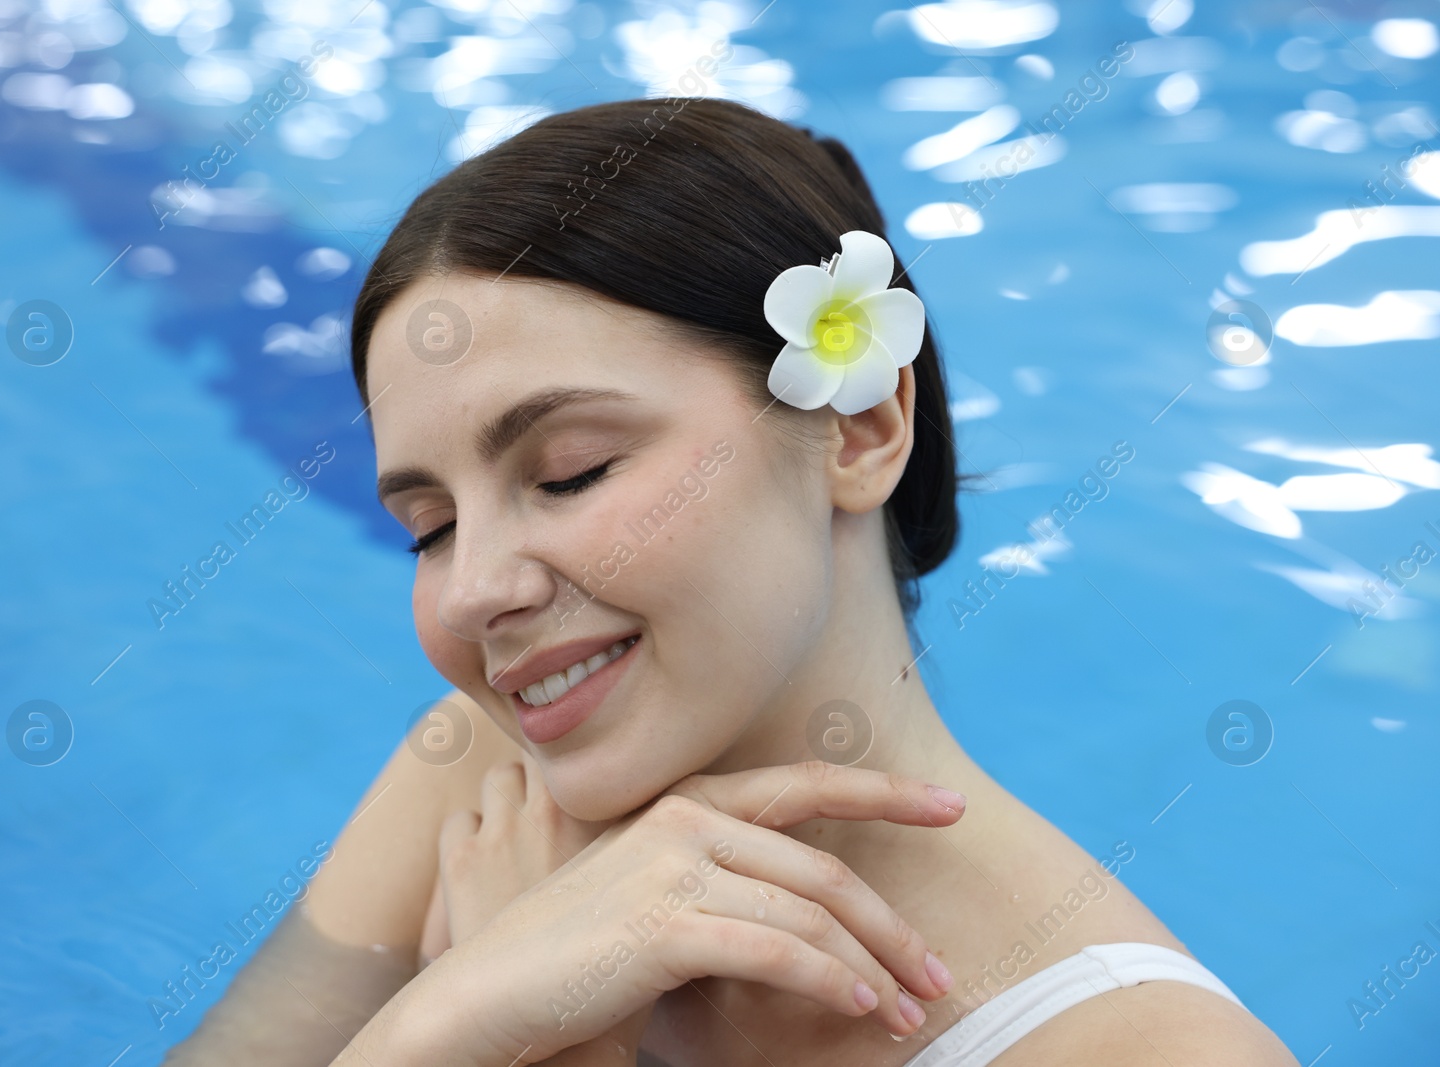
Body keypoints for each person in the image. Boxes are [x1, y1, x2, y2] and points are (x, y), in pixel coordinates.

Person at [163, 97, 1297, 1066]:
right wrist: (451, 1015)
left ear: (857, 429)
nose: (473, 591)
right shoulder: (476, 783)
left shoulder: (1133, 1044)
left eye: (571, 471)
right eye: (430, 526)